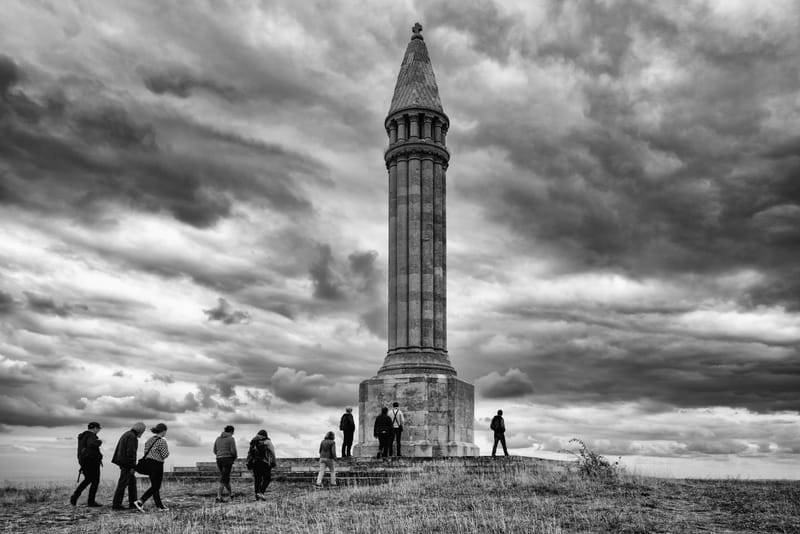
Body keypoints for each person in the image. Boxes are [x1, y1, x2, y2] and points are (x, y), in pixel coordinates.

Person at [134, 423, 170, 512]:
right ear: (163, 431)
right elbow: (165, 455)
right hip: (157, 465)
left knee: (155, 486)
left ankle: (159, 506)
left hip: (148, 464)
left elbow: (146, 451)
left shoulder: (149, 440)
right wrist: (167, 453)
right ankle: (140, 501)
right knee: (156, 486)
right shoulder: (162, 441)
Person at [111, 422, 146, 510]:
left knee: (132, 482)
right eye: (143, 431)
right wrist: (133, 466)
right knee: (123, 483)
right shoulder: (132, 437)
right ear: (140, 430)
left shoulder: (127, 434)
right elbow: (131, 452)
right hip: (127, 463)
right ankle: (116, 504)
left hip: (123, 462)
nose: (143, 433)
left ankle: (133, 503)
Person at [70, 421, 103, 507]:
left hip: (84, 461)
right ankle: (90, 501)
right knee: (95, 481)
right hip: (91, 462)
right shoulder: (90, 436)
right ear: (95, 428)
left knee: (88, 480)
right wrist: (99, 442)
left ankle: (75, 496)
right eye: (98, 428)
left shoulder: (83, 436)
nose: (99, 430)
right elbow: (92, 444)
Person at [248, 429, 276, 500]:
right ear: (265, 435)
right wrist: (274, 462)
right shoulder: (267, 441)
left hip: (255, 463)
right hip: (265, 462)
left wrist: (249, 462)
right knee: (267, 478)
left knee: (257, 479)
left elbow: (249, 453)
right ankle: (261, 493)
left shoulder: (253, 442)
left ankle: (257, 494)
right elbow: (272, 452)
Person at [213, 425, 237, 502]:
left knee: (225, 477)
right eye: (233, 432)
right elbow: (233, 451)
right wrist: (234, 457)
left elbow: (214, 450)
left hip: (219, 459)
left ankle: (231, 494)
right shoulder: (231, 439)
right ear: (231, 431)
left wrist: (219, 454)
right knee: (224, 478)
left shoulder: (218, 439)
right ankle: (219, 496)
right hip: (227, 459)